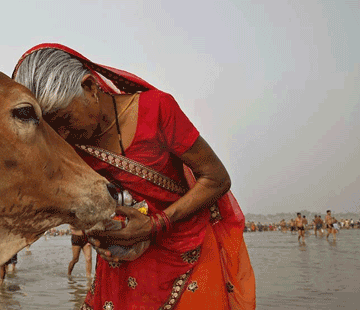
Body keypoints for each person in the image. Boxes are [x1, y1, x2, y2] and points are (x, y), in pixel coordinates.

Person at [13, 44, 255, 310]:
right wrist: (98, 234)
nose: (63, 135)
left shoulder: (156, 110)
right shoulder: (69, 147)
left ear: (90, 87)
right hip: (121, 266)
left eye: (64, 119)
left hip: (188, 251)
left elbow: (216, 179)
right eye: (52, 129)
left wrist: (153, 225)